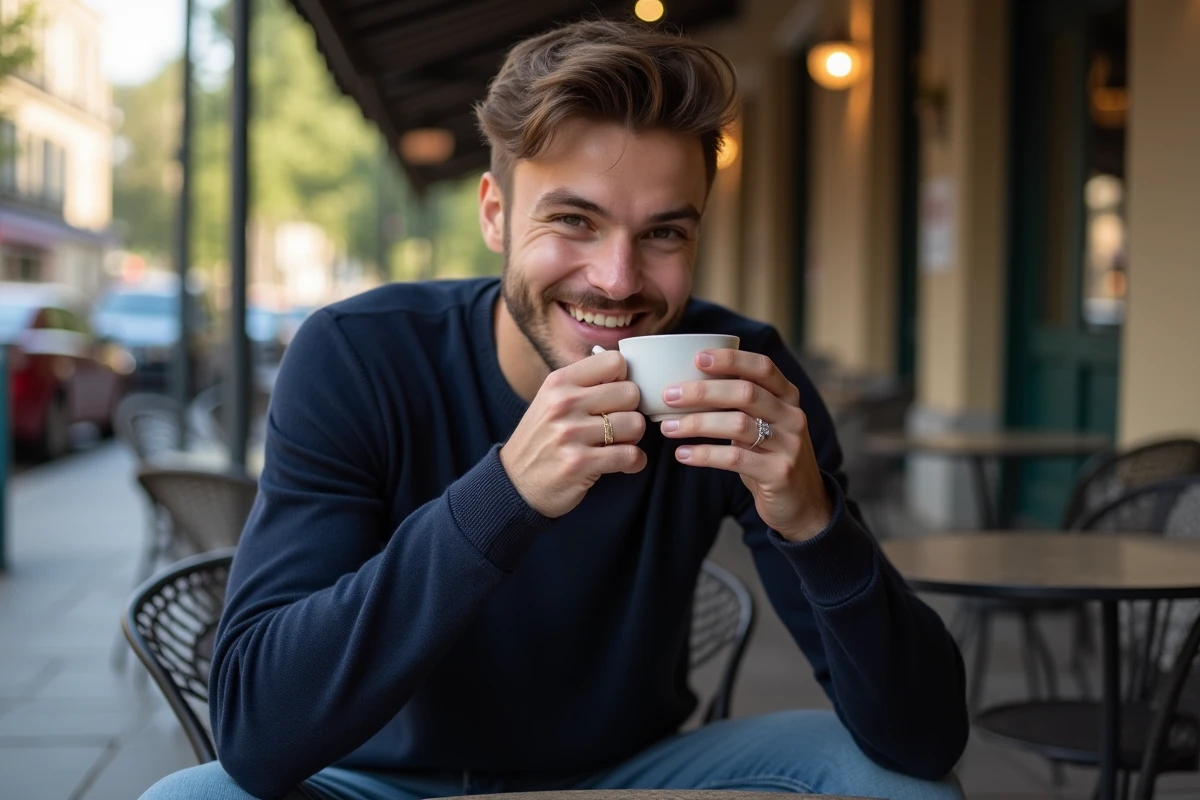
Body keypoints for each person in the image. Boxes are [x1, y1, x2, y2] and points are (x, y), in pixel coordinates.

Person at [142, 19, 968, 800]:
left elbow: (924, 737)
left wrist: (816, 525)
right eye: (574, 220)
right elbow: (254, 731)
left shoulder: (740, 379)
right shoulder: (359, 357)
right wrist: (504, 496)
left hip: (630, 775)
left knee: (900, 785)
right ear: (496, 216)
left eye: (664, 234)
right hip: (373, 784)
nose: (616, 278)